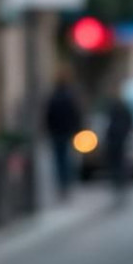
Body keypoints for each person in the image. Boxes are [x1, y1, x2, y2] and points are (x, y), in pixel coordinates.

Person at [44, 68, 84, 202]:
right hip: (66, 132)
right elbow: (75, 114)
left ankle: (62, 185)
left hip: (57, 132)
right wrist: (76, 129)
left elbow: (48, 115)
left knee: (59, 160)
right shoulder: (69, 95)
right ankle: (66, 184)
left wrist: (49, 129)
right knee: (66, 159)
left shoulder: (54, 95)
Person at [103, 83, 133, 207]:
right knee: (116, 162)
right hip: (114, 138)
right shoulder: (112, 106)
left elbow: (129, 121)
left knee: (119, 162)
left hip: (118, 138)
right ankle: (117, 183)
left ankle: (120, 183)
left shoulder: (120, 107)